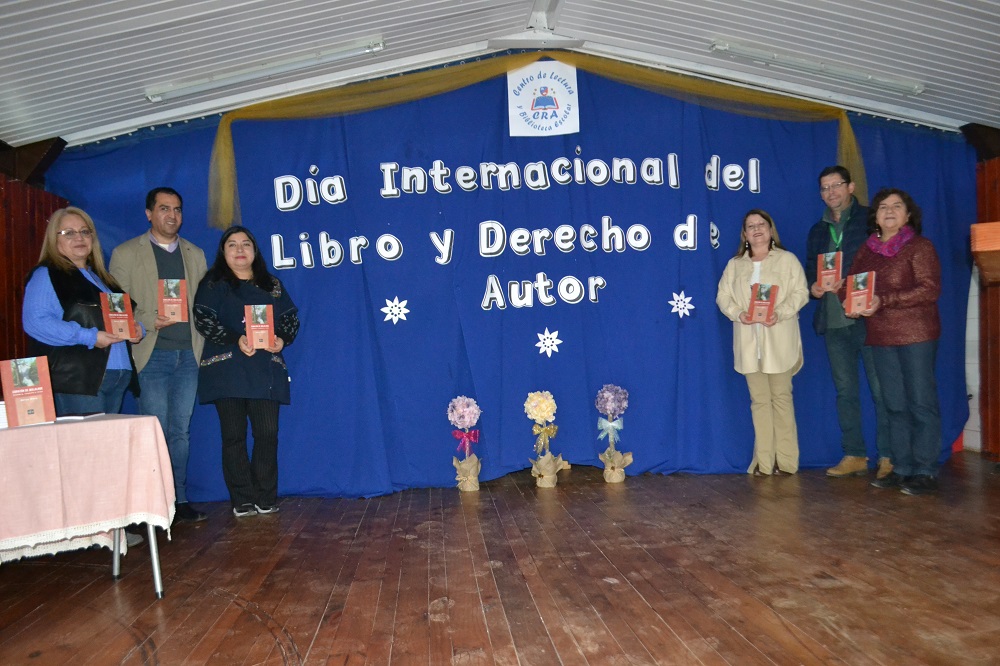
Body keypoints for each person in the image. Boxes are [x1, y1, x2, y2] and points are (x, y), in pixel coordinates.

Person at [110, 188, 208, 524]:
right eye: (164, 209)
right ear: (148, 213)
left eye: (178, 209)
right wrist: (151, 320)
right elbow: (118, 306)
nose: (172, 216)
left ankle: (179, 501)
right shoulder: (125, 254)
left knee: (180, 432)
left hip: (188, 356)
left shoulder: (195, 254)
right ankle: (153, 504)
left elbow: (203, 305)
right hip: (151, 355)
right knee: (154, 431)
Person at [842, 188, 943, 496]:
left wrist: (883, 300)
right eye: (883, 206)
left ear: (907, 215)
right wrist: (837, 290)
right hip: (880, 337)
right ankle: (902, 467)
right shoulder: (867, 250)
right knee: (894, 405)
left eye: (896, 206)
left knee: (920, 403)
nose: (889, 211)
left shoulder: (919, 247)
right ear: (875, 215)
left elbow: (929, 289)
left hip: (916, 336)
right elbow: (852, 287)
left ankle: (925, 470)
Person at [194, 226, 299, 517]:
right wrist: (234, 338)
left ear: (255, 251)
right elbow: (202, 319)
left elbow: (290, 320)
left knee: (267, 433)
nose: (240, 250)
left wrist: (282, 339)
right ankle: (242, 499)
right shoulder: (213, 284)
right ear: (223, 251)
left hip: (265, 369)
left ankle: (265, 496)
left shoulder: (272, 285)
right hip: (226, 369)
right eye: (232, 245)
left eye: (246, 244)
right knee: (233, 435)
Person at [806, 166, 892, 479]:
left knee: (881, 390)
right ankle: (854, 453)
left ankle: (888, 456)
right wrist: (813, 287)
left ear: (851, 187)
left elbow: (886, 263)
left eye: (836, 186)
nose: (831, 192)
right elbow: (808, 273)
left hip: (867, 320)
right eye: (825, 188)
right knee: (845, 392)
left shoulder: (871, 219)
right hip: (833, 322)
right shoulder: (817, 230)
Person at [23, 207, 142, 416]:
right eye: (69, 233)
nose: (79, 237)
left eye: (85, 232)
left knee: (104, 448)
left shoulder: (102, 279)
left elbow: (119, 319)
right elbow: (36, 322)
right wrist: (88, 336)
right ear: (54, 239)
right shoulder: (47, 274)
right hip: (78, 380)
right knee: (86, 448)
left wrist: (137, 329)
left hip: (115, 378)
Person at [717, 210, 809, 475]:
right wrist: (739, 313)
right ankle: (764, 462)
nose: (756, 229)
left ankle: (786, 461)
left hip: (779, 339)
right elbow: (723, 297)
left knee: (781, 398)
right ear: (744, 234)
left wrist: (780, 313)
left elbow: (801, 292)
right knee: (759, 401)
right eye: (750, 226)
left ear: (771, 230)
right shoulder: (735, 265)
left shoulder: (787, 260)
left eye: (761, 225)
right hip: (748, 342)